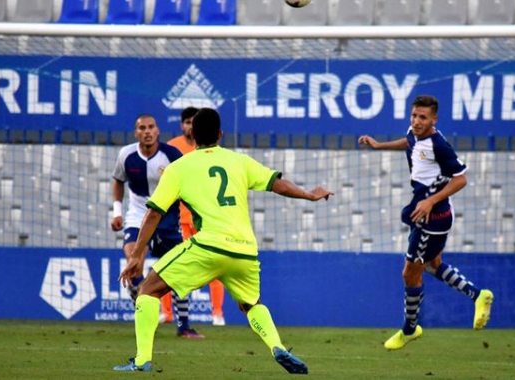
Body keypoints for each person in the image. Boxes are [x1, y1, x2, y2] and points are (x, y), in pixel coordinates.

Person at [113, 108, 333, 373]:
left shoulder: (179, 167)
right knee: (251, 304)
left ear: (191, 135)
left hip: (208, 246)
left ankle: (141, 361)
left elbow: (153, 213)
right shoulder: (240, 161)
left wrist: (137, 255)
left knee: (148, 289)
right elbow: (278, 184)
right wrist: (309, 195)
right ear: (220, 134)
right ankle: (277, 347)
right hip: (245, 251)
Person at [358, 95, 494, 351]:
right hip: (423, 210)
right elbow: (409, 143)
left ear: (434, 119)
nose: (417, 121)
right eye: (414, 116)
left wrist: (431, 201)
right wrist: (379, 146)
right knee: (432, 265)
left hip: (433, 217)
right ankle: (478, 295)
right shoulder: (414, 133)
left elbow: (460, 179)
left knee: (410, 273)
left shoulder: (439, 144)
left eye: (423, 117)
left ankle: (409, 329)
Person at [110, 113, 204, 339]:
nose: (147, 131)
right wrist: (116, 212)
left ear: (158, 130)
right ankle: (146, 311)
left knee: (179, 273)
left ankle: (184, 326)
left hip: (167, 218)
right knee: (133, 267)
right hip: (137, 216)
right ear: (136, 133)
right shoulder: (126, 155)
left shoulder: (171, 155)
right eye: (142, 128)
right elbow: (118, 182)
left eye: (151, 127)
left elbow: (188, 185)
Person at [168, 107, 226, 326]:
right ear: (182, 124)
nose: (190, 127)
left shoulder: (213, 150)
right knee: (174, 265)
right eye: (187, 122)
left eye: (194, 122)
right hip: (180, 219)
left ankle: (217, 313)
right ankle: (168, 313)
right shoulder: (173, 147)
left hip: (206, 219)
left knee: (214, 267)